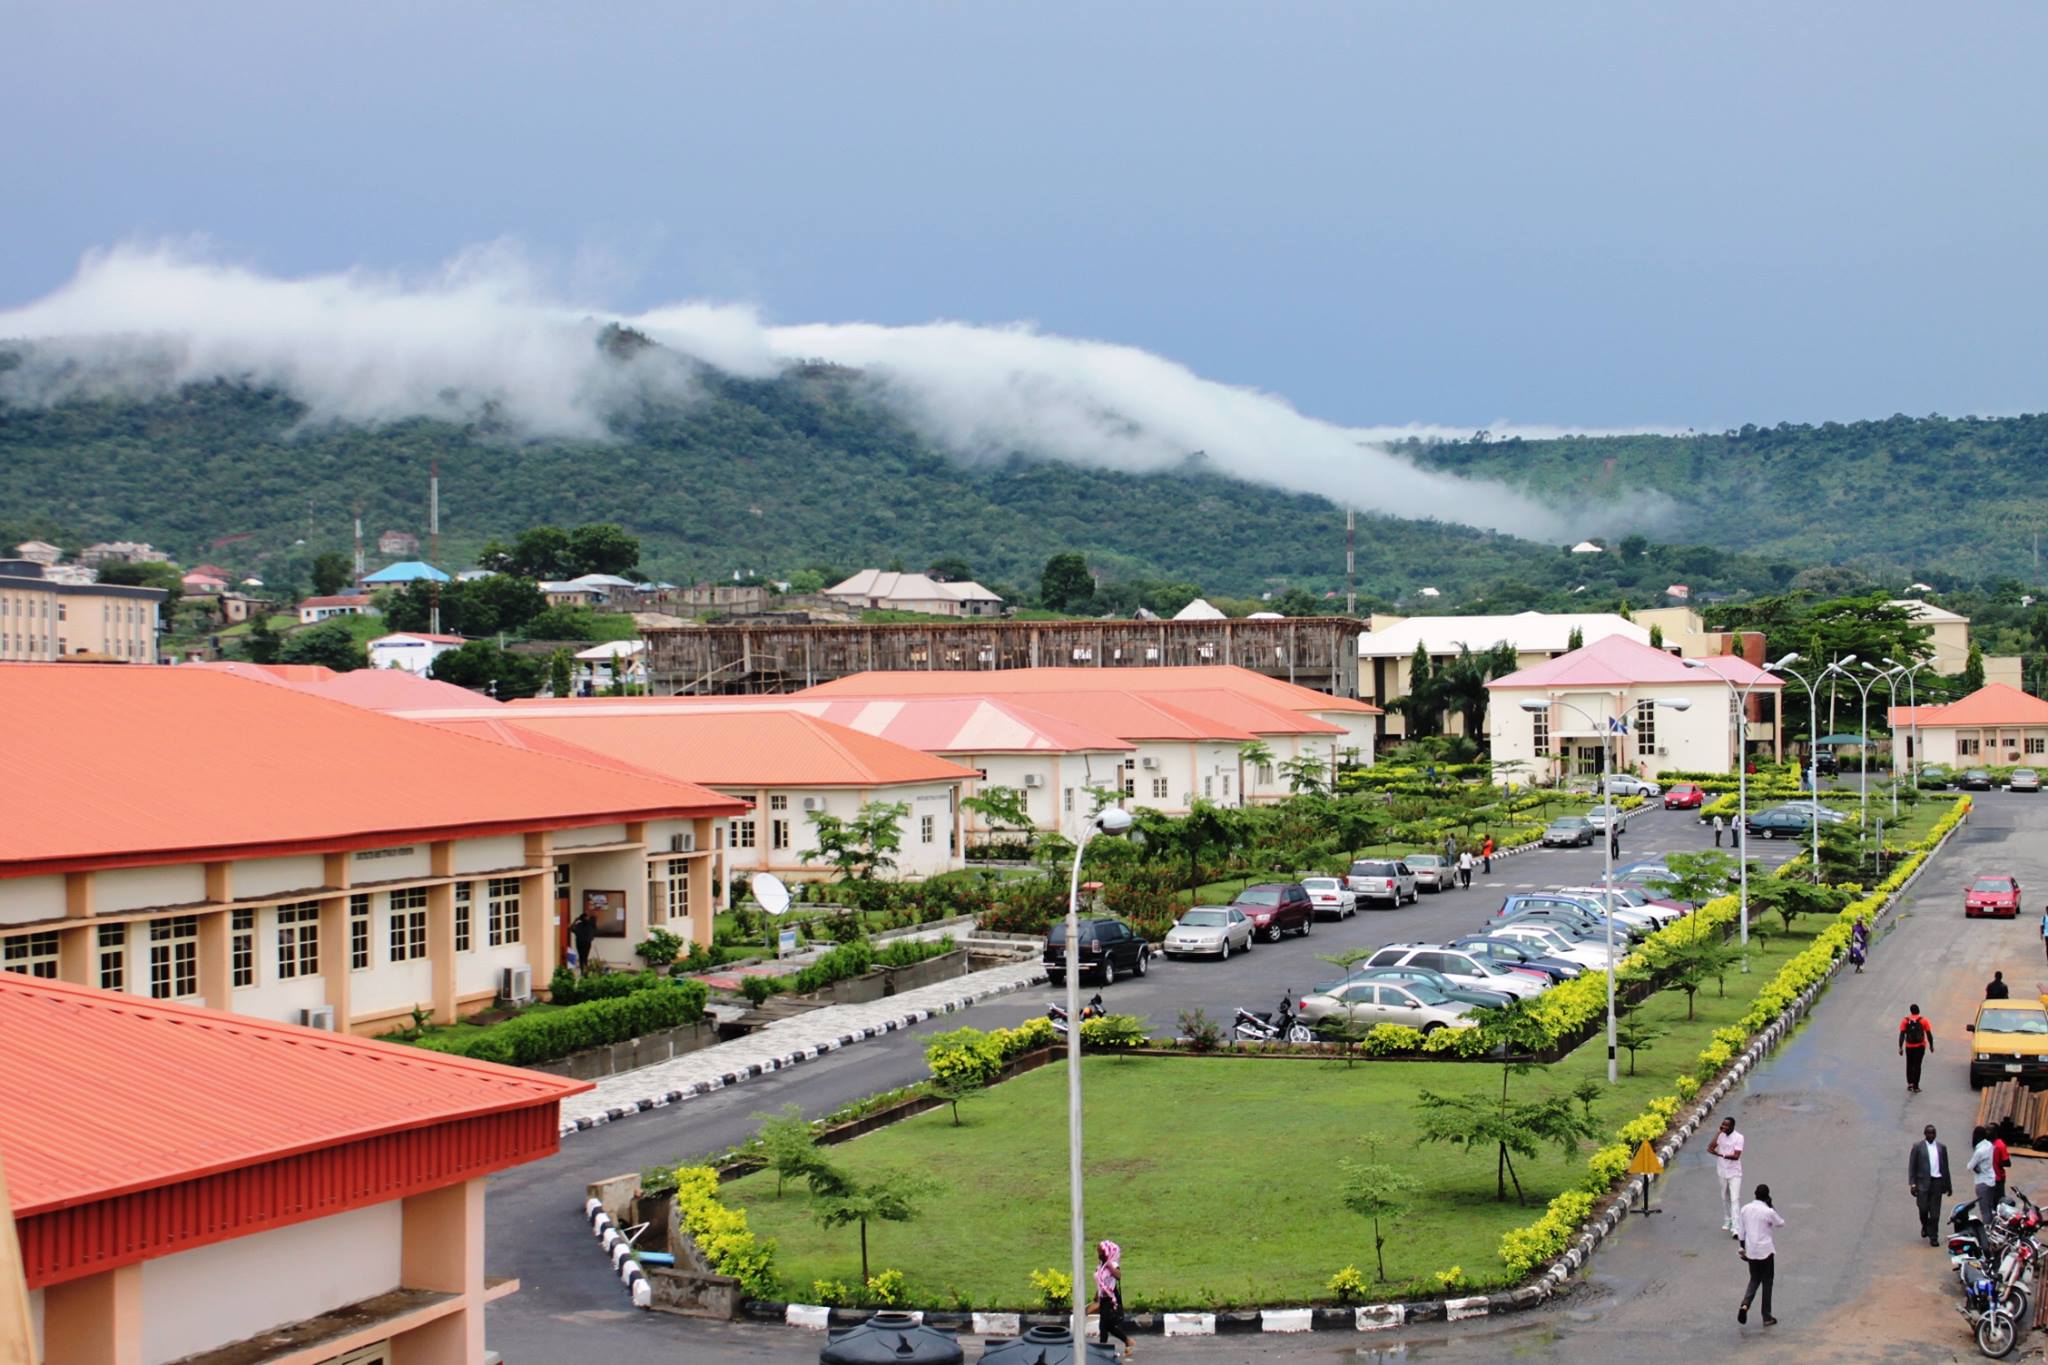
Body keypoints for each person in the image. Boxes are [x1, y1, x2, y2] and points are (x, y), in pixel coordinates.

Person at [1736, 1184, 1784, 1327]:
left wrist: (1742, 1248)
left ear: (1755, 1194)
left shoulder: (1745, 1209)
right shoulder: (1767, 1211)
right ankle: (1766, 1316)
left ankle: (1745, 1304)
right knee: (1767, 1282)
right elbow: (1780, 1223)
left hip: (1751, 1251)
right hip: (1766, 1251)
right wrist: (1771, 1206)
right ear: (1767, 1196)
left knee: (1754, 1279)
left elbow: (1741, 1231)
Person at [1910, 1125, 1953, 1246]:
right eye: (1929, 1133)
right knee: (1923, 1208)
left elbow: (1945, 1167)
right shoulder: (1918, 1147)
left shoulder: (1941, 1148)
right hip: (1922, 1183)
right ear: (1924, 1134)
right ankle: (1925, 1225)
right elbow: (1912, 1166)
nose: (1931, 1136)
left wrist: (1948, 1185)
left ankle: (1934, 1237)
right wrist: (1913, 1184)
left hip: (1937, 1182)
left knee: (1935, 1213)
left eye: (1933, 1133)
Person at [1092, 1239, 1132, 1359]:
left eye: (1101, 1252)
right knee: (1106, 1325)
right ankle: (1126, 1341)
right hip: (1104, 1297)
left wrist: (1110, 1266)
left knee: (1104, 1326)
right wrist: (1096, 1294)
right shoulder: (1100, 1266)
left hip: (1111, 1298)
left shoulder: (1112, 1264)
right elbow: (1101, 1282)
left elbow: (1118, 1276)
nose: (1099, 1255)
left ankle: (1102, 1350)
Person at [1707, 1116, 1745, 1236]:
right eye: (1723, 1125)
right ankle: (1727, 1219)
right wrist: (1718, 1132)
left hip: (1734, 1172)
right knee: (1725, 1196)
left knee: (1735, 1198)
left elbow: (1736, 1156)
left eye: (1727, 1125)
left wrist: (1721, 1154)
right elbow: (1710, 1147)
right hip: (1722, 1171)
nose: (1724, 1127)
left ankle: (1736, 1227)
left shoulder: (1739, 1137)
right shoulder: (1721, 1135)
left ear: (1733, 1126)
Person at [1969, 1126, 2000, 1231]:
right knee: (1990, 1207)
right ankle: (1993, 1228)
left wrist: (1976, 1167)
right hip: (1991, 1180)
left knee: (1984, 1210)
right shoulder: (1989, 1145)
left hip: (1982, 1182)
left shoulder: (1979, 1151)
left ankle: (1987, 1232)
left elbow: (1969, 1166)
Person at [1899, 1004, 1933, 1092]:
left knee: (1909, 1064)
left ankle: (1910, 1083)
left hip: (1909, 1046)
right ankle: (1916, 1086)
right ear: (1918, 1011)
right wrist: (1931, 1046)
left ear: (1911, 1011)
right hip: (1920, 1046)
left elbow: (1902, 1034)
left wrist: (1900, 1047)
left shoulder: (1905, 1021)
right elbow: (1929, 1034)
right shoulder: (1923, 1020)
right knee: (1917, 1065)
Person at [570, 907, 599, 976]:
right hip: (587, 943)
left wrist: (575, 920)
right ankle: (585, 970)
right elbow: (595, 928)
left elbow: (571, 928)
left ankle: (582, 970)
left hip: (579, 943)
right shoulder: (590, 925)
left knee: (581, 956)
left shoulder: (578, 925)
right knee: (585, 956)